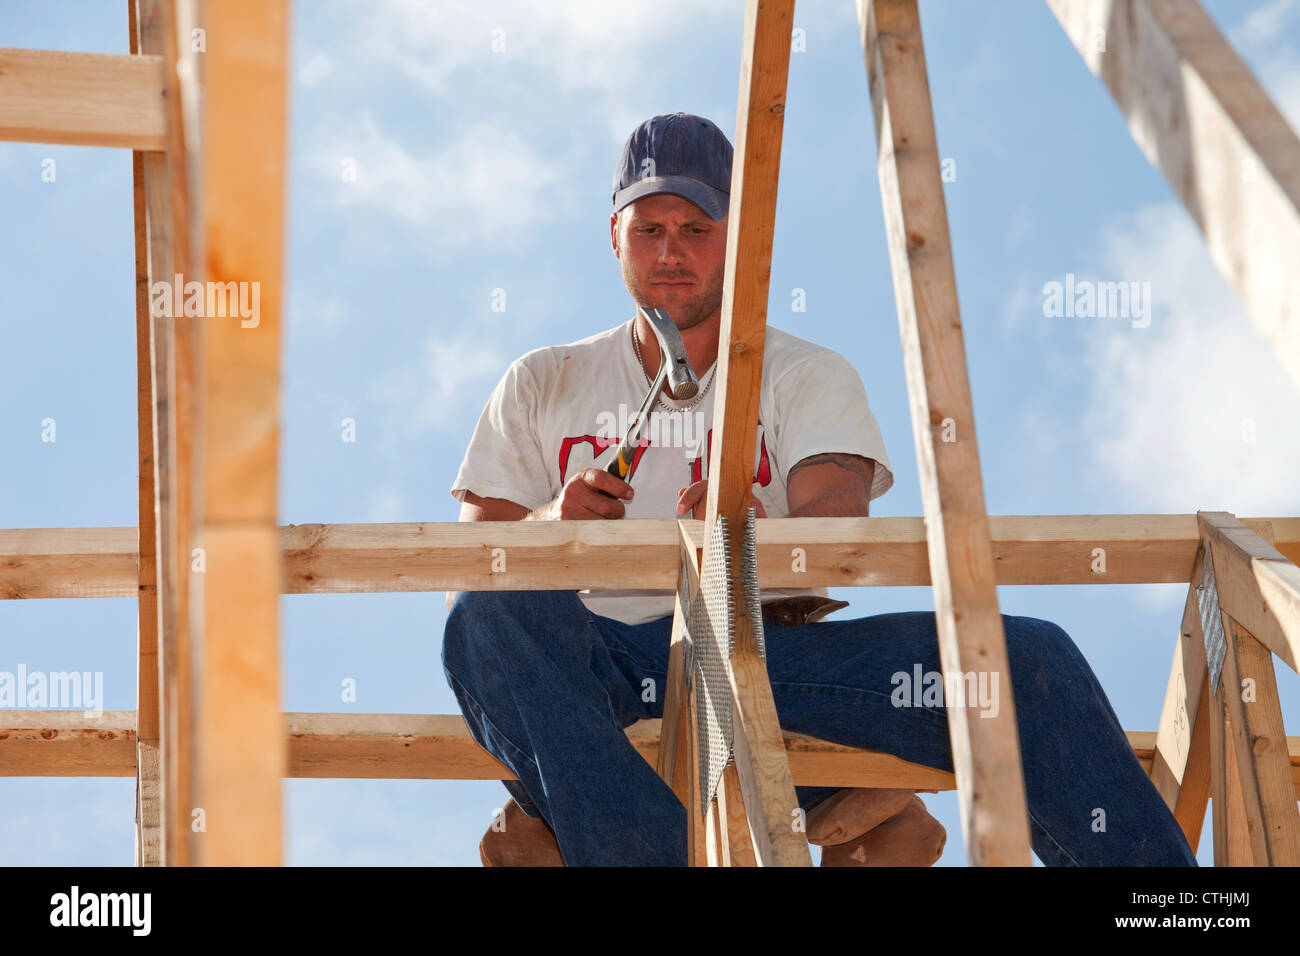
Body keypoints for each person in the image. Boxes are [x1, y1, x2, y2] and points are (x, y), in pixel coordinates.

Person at [442, 112, 1197, 867]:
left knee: (1027, 661)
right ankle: (656, 830)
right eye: (648, 230)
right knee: (486, 619)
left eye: (697, 229)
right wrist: (553, 521)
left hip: (772, 671)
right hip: (592, 681)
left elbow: (836, 526)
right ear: (615, 238)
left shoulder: (803, 373)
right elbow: (473, 576)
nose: (671, 252)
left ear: (739, 241)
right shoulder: (543, 381)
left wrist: (746, 524)